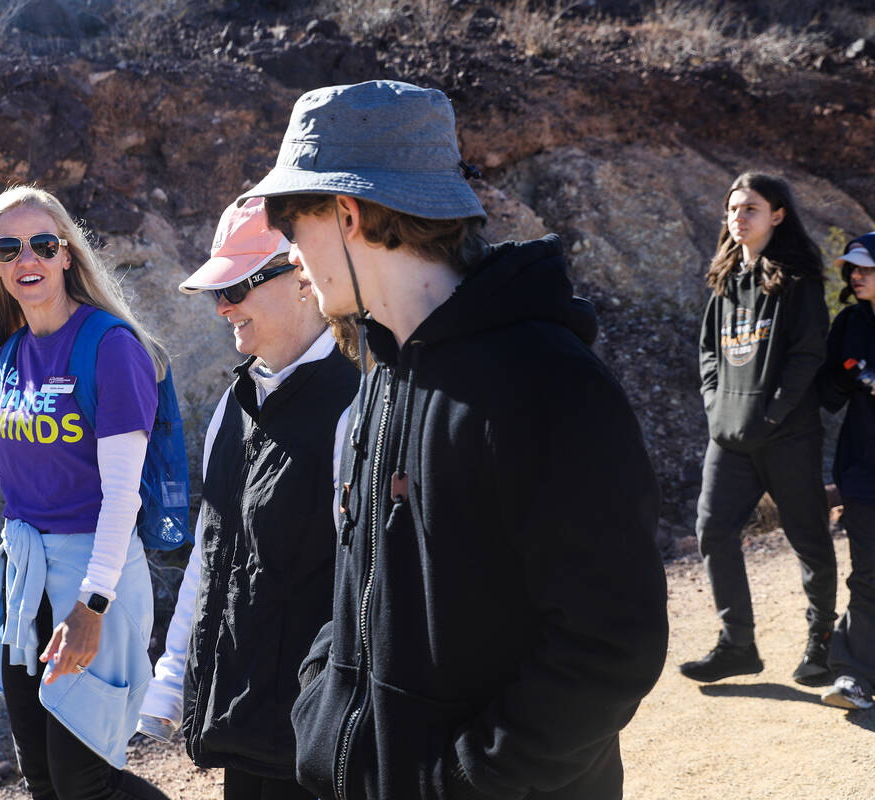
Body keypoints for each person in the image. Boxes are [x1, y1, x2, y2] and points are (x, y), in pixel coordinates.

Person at [242, 80, 669, 800]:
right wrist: (324, 704)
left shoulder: (543, 379)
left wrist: (463, 781)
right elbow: (362, 581)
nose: (291, 258)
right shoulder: (384, 376)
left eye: (293, 229)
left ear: (347, 213)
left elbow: (610, 643)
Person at [0, 186, 170, 800]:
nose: (25, 256)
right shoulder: (7, 356)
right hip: (24, 580)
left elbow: (122, 497)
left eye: (42, 243)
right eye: (8, 247)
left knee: (87, 780)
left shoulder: (111, 348)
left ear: (66, 255)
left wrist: (93, 607)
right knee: (42, 778)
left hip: (94, 576)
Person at [136, 198, 359, 799]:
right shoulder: (232, 408)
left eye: (238, 286)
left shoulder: (357, 409)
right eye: (218, 291)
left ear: (301, 276)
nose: (222, 307)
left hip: (320, 739)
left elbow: (371, 588)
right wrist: (170, 680)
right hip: (244, 724)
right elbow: (209, 557)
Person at [679, 172, 838, 687]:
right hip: (730, 438)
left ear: (778, 215)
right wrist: (714, 401)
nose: (738, 218)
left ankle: (822, 644)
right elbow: (708, 349)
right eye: (732, 209)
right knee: (713, 531)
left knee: (809, 538)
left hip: (787, 436)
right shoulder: (725, 277)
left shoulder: (797, 280)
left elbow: (809, 353)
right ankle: (737, 645)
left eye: (750, 208)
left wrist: (772, 414)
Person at [817, 232, 875, 710]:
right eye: (852, 270)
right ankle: (852, 676)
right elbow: (829, 395)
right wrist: (850, 373)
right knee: (868, 575)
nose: (855, 276)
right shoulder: (851, 322)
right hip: (863, 470)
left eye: (866, 269)